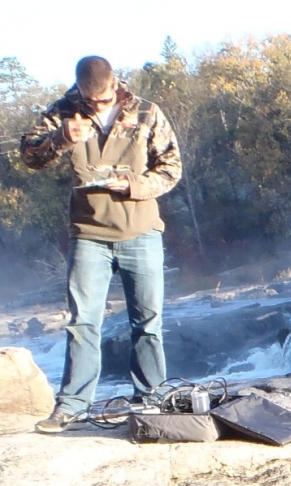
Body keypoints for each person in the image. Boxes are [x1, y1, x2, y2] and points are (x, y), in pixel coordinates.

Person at [21, 55, 182, 432]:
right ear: (78, 90)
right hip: (88, 234)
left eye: (102, 99)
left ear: (115, 86)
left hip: (141, 231)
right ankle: (72, 407)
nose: (95, 106)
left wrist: (135, 186)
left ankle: (152, 399)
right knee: (82, 324)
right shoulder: (63, 111)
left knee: (148, 323)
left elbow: (172, 166)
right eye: (88, 100)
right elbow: (30, 156)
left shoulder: (146, 111)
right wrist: (61, 138)